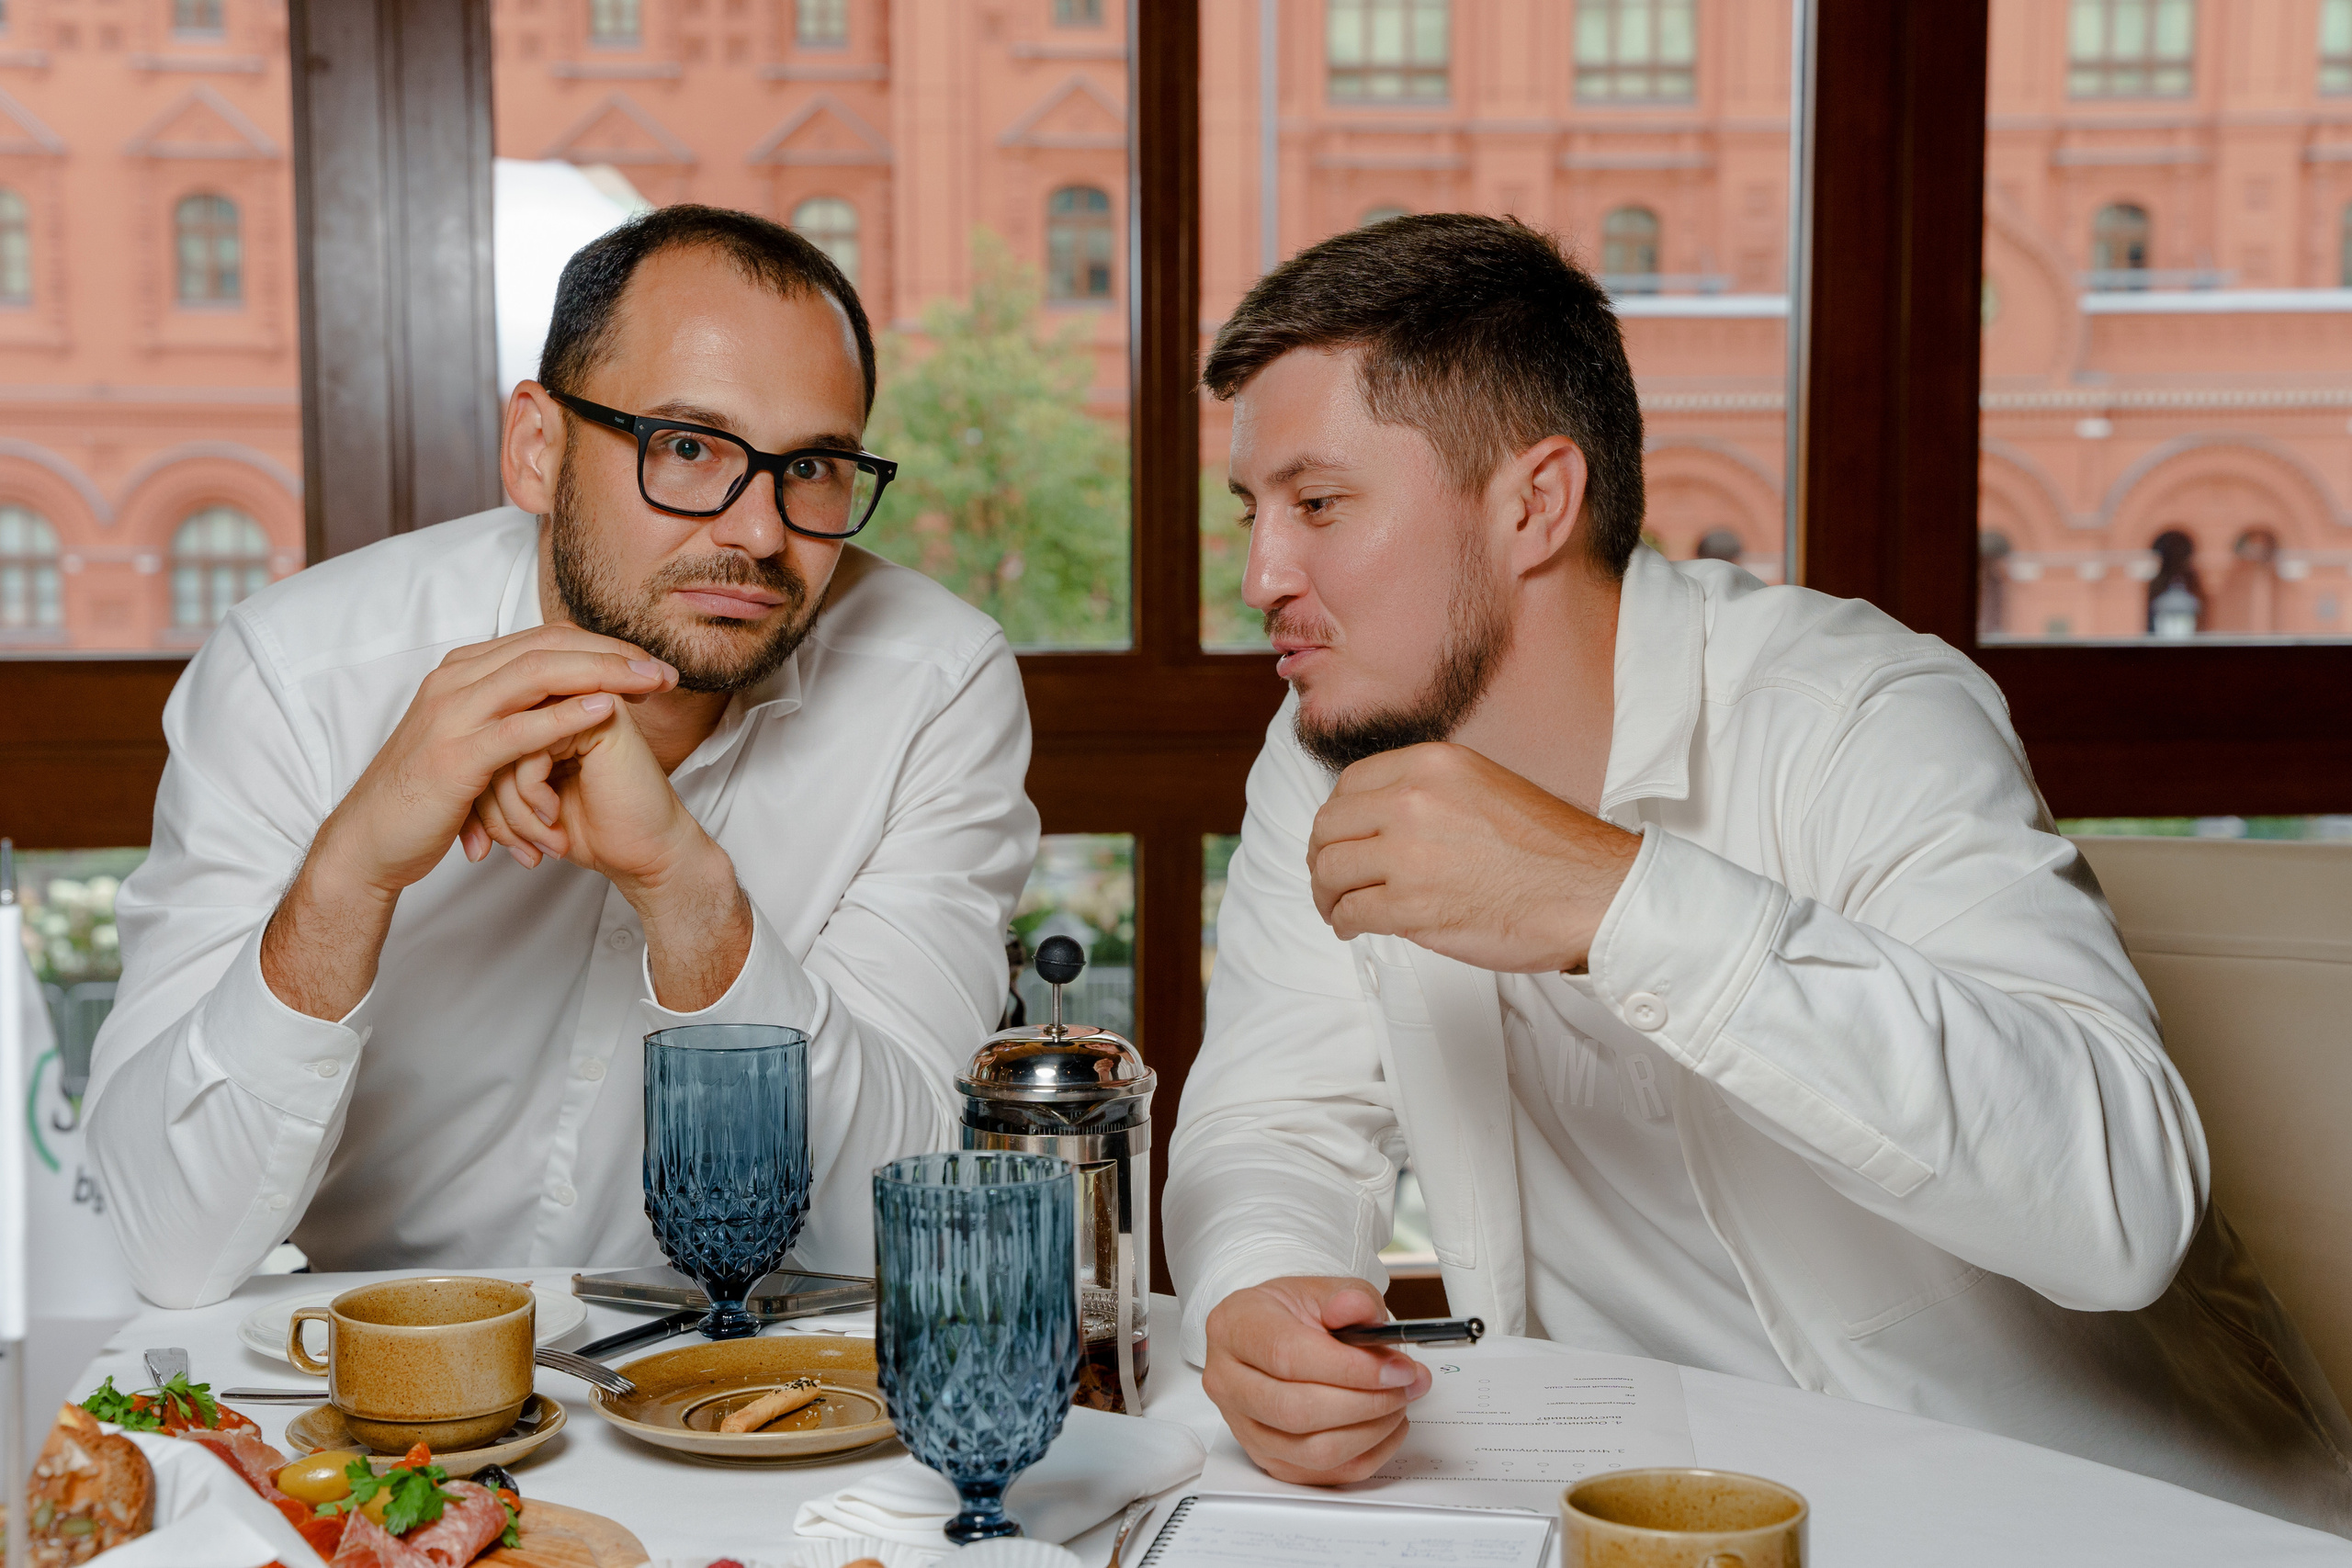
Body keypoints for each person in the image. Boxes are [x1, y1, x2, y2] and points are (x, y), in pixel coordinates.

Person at [1164, 213, 2352, 1531]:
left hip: (2095, 1520)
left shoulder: (1860, 709)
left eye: (1319, 504)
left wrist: (1617, 900)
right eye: (1254, 511)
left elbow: (2119, 1205)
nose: (1264, 573)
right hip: (1654, 1519)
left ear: (1533, 502)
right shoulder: (1326, 752)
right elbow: (1274, 1119)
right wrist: (1260, 1290)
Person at [86, 206, 1037, 1307]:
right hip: (377, 1386)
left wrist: (686, 890)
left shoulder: (933, 681)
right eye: (687, 448)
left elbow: (894, 1224)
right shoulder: (296, 675)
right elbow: (168, 1246)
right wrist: (349, 877)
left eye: (813, 466)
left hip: (750, 1389)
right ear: (538, 449)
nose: (761, 533)